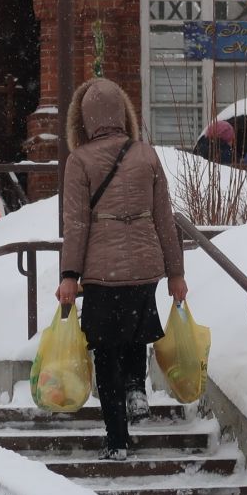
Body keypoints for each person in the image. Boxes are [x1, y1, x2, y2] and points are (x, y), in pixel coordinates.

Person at [56, 78, 188, 461]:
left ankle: (117, 440)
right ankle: (137, 388)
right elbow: (166, 219)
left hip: (101, 272)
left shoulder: (79, 161)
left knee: (105, 351)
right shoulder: (146, 155)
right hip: (145, 267)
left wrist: (69, 275)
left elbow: (76, 225)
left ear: (84, 119)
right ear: (123, 113)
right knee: (135, 333)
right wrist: (175, 272)